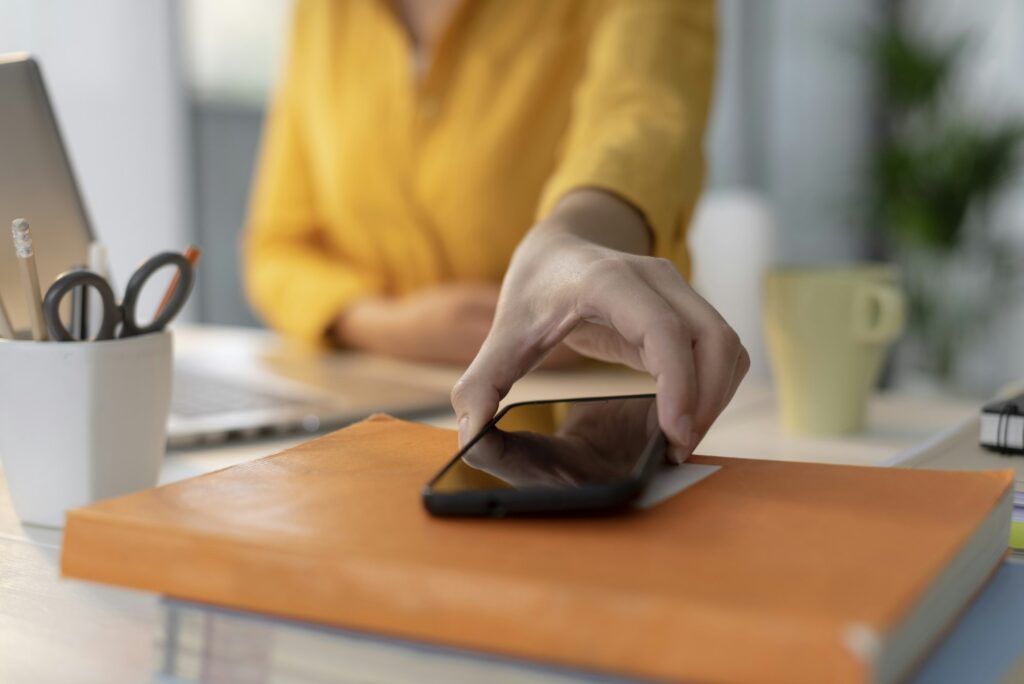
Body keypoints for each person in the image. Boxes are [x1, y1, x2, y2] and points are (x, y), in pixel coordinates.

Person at [243, 0, 749, 463]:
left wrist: (572, 241)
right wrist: (397, 325)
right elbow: (277, 248)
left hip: (590, 403)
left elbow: (638, 122)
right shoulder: (320, 12)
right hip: (363, 408)